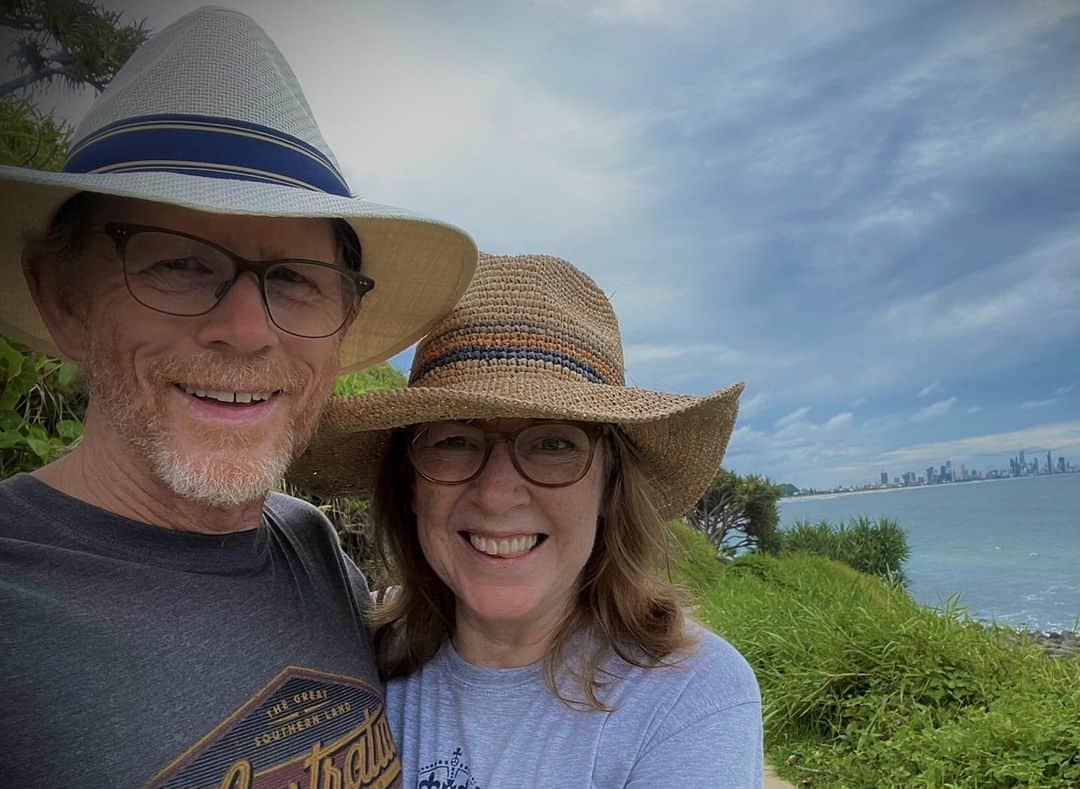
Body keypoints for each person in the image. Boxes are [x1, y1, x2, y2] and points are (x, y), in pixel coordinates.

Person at [0, 7, 476, 786]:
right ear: (61, 293)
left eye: (295, 278)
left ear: (343, 321)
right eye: (179, 262)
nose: (248, 329)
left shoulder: (314, 551)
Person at [291, 253, 764, 787]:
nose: (496, 494)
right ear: (410, 484)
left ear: (610, 485)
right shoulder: (351, 660)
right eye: (453, 441)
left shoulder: (688, 697)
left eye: (553, 444)